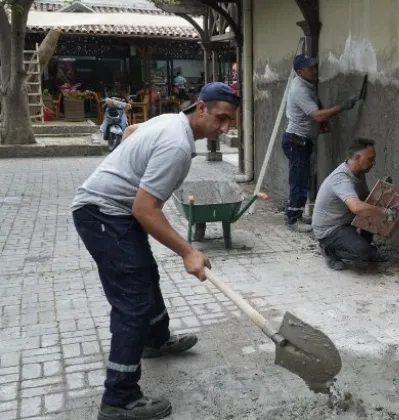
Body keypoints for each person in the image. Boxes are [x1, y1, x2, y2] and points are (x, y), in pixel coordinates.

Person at [71, 82, 240, 420]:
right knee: (132, 303)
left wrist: (126, 166)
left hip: (113, 211)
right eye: (220, 118)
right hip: (103, 214)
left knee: (146, 273)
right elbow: (145, 210)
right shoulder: (177, 145)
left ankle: (155, 340)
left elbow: (132, 130)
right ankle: (118, 398)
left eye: (230, 123)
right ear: (201, 108)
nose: (223, 128)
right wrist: (188, 251)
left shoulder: (170, 121)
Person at [282, 53, 359, 233]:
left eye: (316, 66)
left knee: (302, 179)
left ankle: (297, 214)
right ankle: (292, 220)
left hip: (301, 140)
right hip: (296, 141)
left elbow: (316, 111)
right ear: (300, 71)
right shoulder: (299, 89)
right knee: (299, 181)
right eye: (311, 68)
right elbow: (316, 115)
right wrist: (342, 107)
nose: (315, 70)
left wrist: (322, 126)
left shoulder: (306, 85)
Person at [312, 138, 397, 270]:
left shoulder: (358, 173)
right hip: (330, 230)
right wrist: (384, 212)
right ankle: (329, 250)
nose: (373, 162)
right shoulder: (341, 179)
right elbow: (357, 207)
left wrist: (382, 194)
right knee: (364, 253)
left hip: (345, 223)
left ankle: (365, 246)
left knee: (370, 210)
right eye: (370, 159)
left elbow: (365, 199)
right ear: (357, 157)